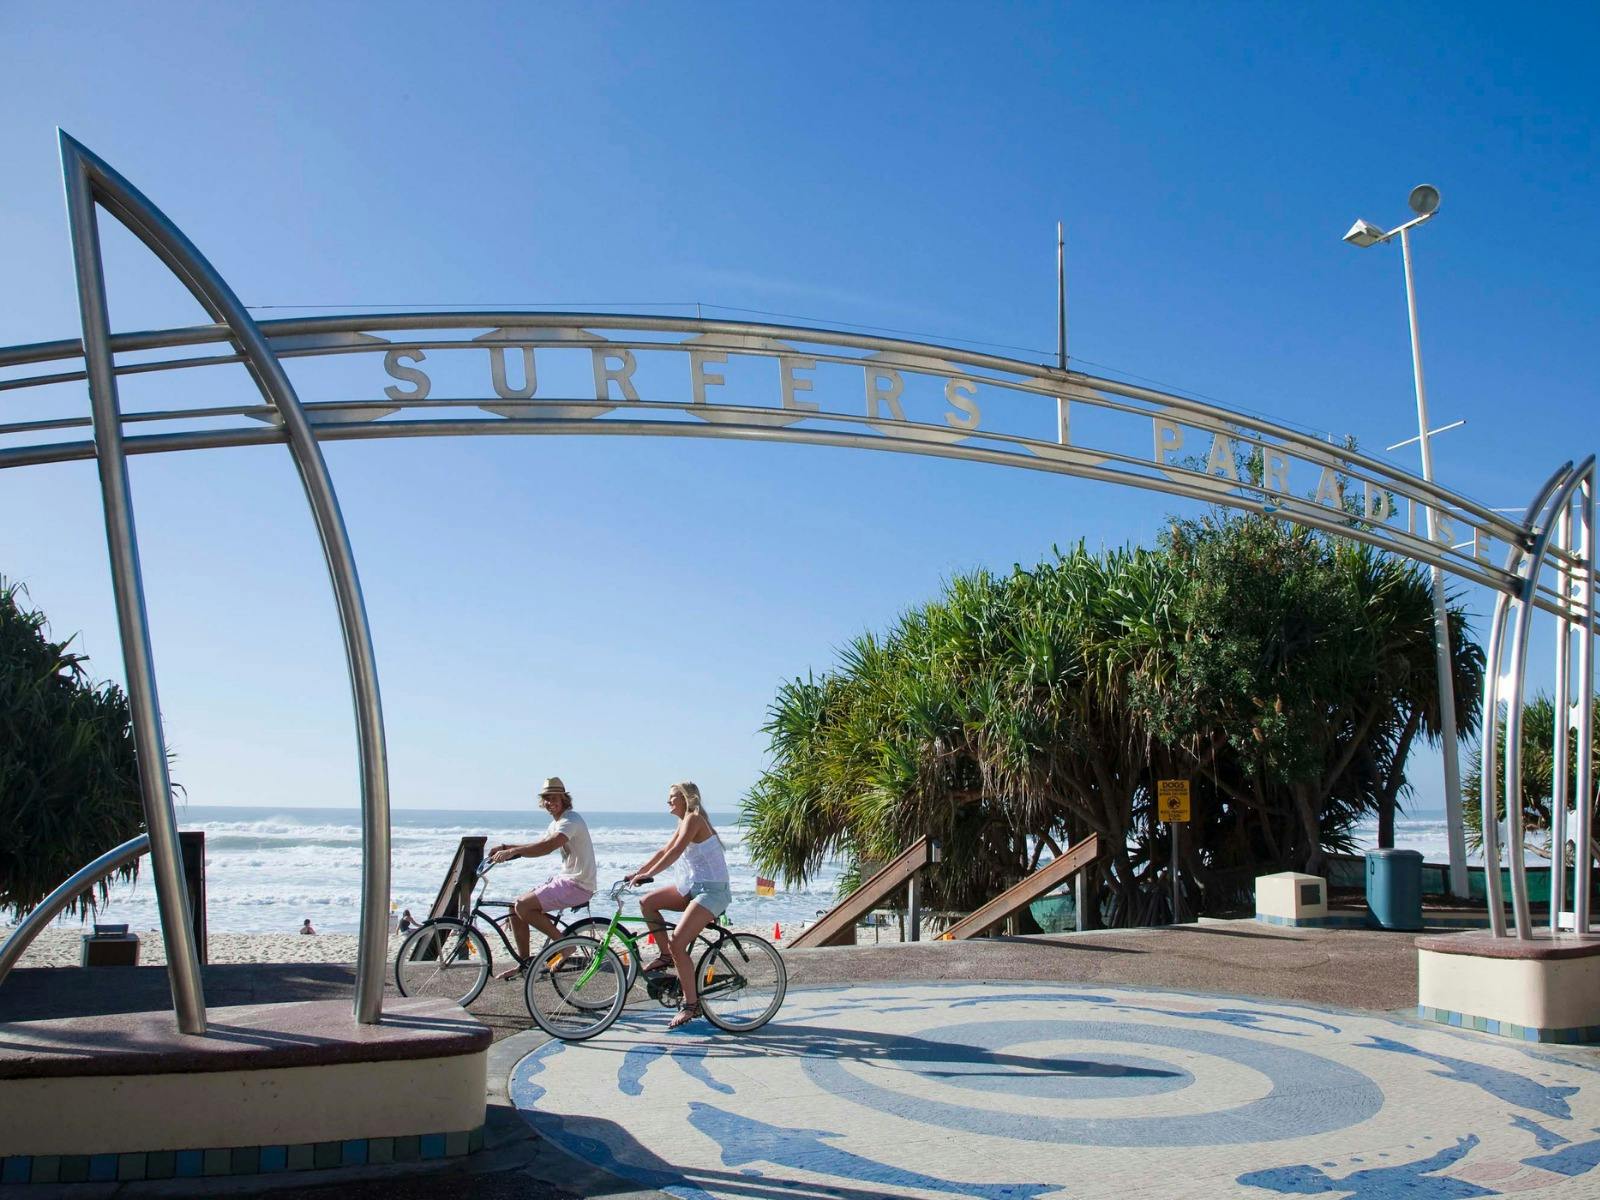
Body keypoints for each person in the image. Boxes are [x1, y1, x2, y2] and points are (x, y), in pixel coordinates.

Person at [627, 781, 731, 1030]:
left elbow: (675, 852)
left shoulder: (694, 819)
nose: (669, 801)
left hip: (713, 892)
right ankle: (666, 956)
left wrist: (649, 874)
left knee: (678, 943)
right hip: (693, 887)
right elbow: (665, 850)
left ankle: (691, 1004)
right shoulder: (684, 821)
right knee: (647, 903)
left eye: (673, 796)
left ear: (686, 798)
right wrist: (638, 873)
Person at [487, 776, 597, 979]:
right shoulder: (557, 823)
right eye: (546, 798)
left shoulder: (571, 820)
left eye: (554, 798)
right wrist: (506, 848)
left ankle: (565, 945)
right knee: (514, 909)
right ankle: (525, 965)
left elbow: (547, 847)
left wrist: (512, 852)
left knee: (523, 906)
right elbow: (538, 845)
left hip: (578, 884)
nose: (549, 802)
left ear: (564, 798)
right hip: (566, 880)